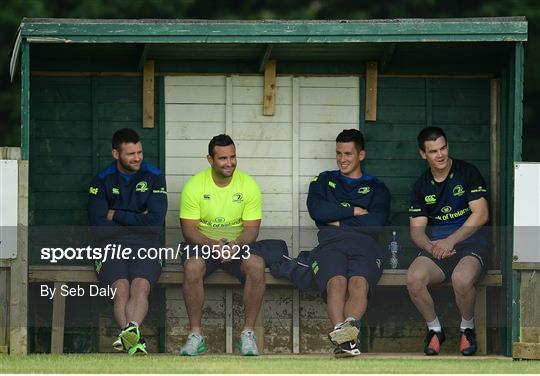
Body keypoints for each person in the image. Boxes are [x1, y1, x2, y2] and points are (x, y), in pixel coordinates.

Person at [179, 134, 266, 356]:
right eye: (223, 158)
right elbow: (189, 230)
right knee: (192, 267)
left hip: (236, 245)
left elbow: (251, 230)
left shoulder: (248, 184)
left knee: (256, 265)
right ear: (210, 159)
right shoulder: (195, 185)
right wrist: (213, 246)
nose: (230, 163)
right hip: (204, 243)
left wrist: (234, 245)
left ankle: (247, 335)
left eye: (233, 157)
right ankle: (195, 336)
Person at [306, 129, 390, 357]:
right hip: (330, 243)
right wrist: (353, 211)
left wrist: (337, 221)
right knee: (336, 283)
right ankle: (345, 340)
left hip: (366, 245)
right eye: (338, 153)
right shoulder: (324, 180)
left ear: (361, 155)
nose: (342, 159)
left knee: (358, 284)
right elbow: (317, 211)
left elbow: (376, 223)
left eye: (348, 154)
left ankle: (344, 340)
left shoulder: (377, 187)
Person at [406, 126, 490, 356]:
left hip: (471, 244)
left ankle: (467, 328)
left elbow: (481, 214)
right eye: (433, 151)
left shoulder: (467, 172)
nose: (440, 155)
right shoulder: (421, 185)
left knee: (461, 279)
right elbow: (417, 232)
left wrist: (450, 241)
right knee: (413, 279)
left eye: (443, 148)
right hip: (439, 250)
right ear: (424, 154)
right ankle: (435, 330)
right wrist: (432, 247)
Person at [88, 128, 167, 355]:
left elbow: (154, 223)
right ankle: (132, 338)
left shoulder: (154, 176)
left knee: (140, 286)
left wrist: (116, 214)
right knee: (120, 288)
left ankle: (128, 335)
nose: (137, 158)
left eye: (139, 152)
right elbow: (97, 228)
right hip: (110, 245)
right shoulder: (102, 180)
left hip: (146, 244)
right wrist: (137, 220)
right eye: (131, 154)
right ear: (116, 154)